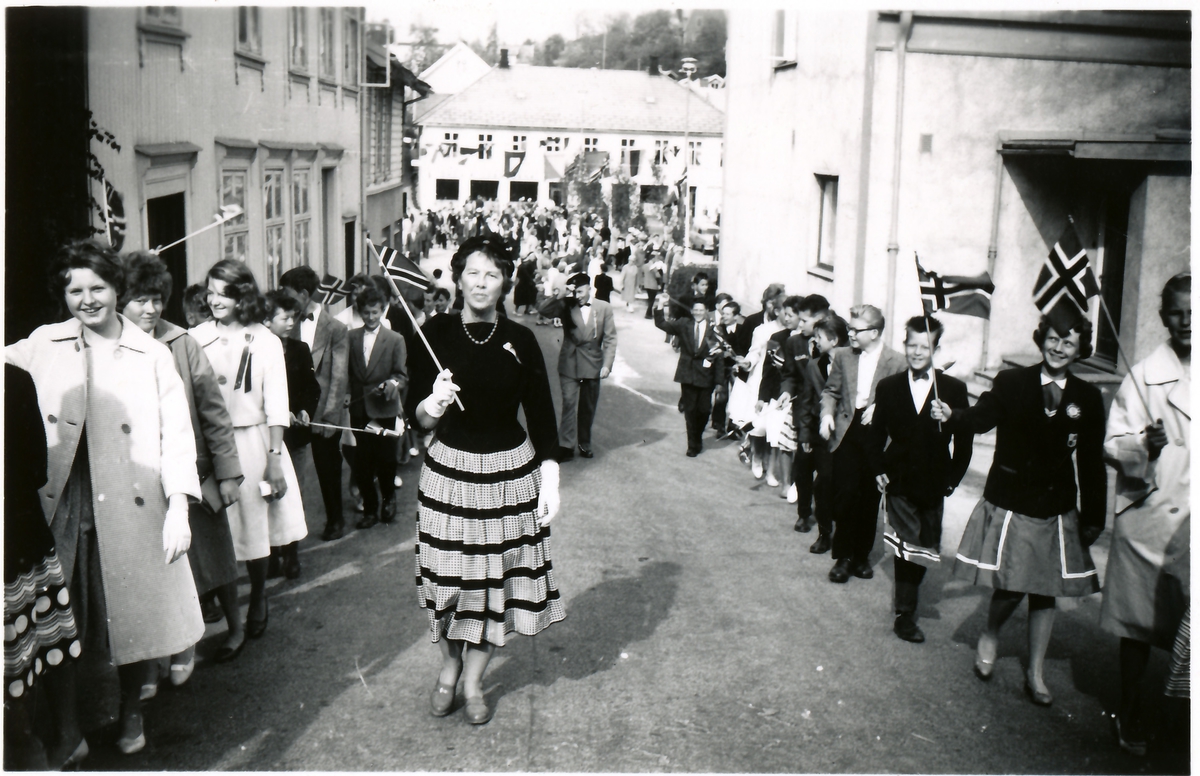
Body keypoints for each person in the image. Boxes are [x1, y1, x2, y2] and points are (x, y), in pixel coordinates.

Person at [6, 239, 202, 756]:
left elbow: (177, 435)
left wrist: (179, 506)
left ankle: (133, 710)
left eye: (98, 287)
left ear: (118, 289)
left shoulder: (152, 354)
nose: (87, 300)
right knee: (61, 616)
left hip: (133, 502)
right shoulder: (42, 343)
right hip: (64, 502)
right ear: (62, 294)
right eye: (75, 290)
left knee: (131, 613)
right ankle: (71, 729)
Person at [409, 234, 564, 725]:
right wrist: (432, 403)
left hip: (507, 477)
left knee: (491, 585)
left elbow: (541, 413)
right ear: (458, 277)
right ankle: (448, 671)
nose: (481, 283)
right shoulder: (434, 331)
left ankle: (473, 682)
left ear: (504, 283)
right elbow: (418, 415)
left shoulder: (521, 340)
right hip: (448, 476)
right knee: (451, 583)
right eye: (472, 272)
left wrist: (551, 475)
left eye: (492, 274)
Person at [931, 313, 1106, 706]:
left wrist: (1094, 517)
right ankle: (991, 633)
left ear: (1080, 351)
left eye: (1069, 344)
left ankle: (1036, 671)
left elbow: (1091, 463)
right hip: (1014, 499)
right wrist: (953, 415)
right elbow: (981, 418)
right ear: (1041, 338)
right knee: (1012, 584)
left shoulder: (1088, 398)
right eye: (1053, 339)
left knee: (1047, 591)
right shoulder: (1012, 382)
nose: (1059, 349)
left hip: (1056, 505)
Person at [119, 252, 247, 674]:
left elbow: (214, 412)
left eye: (156, 298)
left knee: (216, 559)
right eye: (139, 299)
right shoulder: (112, 346)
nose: (151, 309)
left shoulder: (182, 343)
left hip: (197, 473)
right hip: (141, 481)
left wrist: (228, 475)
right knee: (162, 568)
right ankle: (173, 647)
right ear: (122, 301)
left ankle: (235, 626)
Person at [193, 259, 308, 647]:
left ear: (242, 294)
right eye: (209, 291)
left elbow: (277, 404)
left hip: (255, 444)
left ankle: (258, 595)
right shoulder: (195, 338)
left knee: (255, 531)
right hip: (211, 446)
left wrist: (275, 460)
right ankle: (230, 619)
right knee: (219, 535)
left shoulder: (265, 340)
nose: (214, 299)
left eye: (223, 291)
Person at [1099, 272, 1190, 755]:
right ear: (1162, 317)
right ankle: (1131, 713)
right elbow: (1112, 444)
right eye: (1177, 311)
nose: (1187, 321)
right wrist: (1143, 445)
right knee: (1137, 628)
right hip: (1149, 516)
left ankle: (1181, 723)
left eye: (1195, 311)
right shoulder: (1144, 375)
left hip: (1192, 523)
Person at [867, 316, 973, 643]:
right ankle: (905, 614)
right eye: (911, 345)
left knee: (924, 547)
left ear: (936, 349)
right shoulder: (889, 387)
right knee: (907, 545)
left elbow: (965, 440)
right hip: (898, 479)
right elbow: (876, 434)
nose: (916, 352)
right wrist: (877, 468)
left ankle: (908, 600)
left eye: (924, 347)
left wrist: (953, 478)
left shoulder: (953, 390)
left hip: (933, 481)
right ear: (904, 345)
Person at [5, 364, 83, 770]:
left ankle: (32, 750)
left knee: (21, 649)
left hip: (16, 542)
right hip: (20, 536)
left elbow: (35, 470)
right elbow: (35, 468)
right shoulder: (12, 379)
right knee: (43, 639)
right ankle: (61, 738)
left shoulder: (12, 381)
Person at [819, 304, 907, 584]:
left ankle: (861, 556)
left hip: (878, 437)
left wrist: (881, 406)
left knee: (870, 498)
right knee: (845, 495)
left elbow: (902, 397)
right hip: (848, 431)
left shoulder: (897, 361)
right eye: (850, 329)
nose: (850, 334)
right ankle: (843, 558)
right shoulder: (844, 356)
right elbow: (831, 391)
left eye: (855, 330)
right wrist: (826, 416)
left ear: (875, 332)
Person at [279, 266, 350, 542]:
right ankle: (292, 531)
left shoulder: (336, 329)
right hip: (295, 410)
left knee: (327, 466)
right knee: (293, 469)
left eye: (288, 293)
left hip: (323, 412)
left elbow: (339, 375)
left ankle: (335, 518)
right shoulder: (286, 322)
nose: (284, 298)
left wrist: (331, 417)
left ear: (304, 293)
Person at [264, 290, 320, 578]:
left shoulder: (299, 349)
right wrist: (277, 413)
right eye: (284, 318)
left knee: (294, 495)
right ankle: (271, 554)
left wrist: (305, 411)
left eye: (293, 318)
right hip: (269, 438)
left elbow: (312, 387)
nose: (290, 323)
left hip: (296, 437)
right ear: (266, 320)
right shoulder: (258, 350)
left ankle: (292, 554)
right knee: (271, 496)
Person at [347, 285, 408, 529]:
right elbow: (347, 374)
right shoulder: (351, 337)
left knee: (386, 459)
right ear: (359, 312)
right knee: (362, 461)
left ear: (383, 311)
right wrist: (347, 394)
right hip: (359, 409)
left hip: (384, 409)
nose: (370, 317)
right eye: (366, 313)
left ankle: (388, 499)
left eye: (375, 312)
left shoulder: (395, 340)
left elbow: (401, 375)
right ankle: (369, 509)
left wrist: (391, 383)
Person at [542, 272, 618, 462]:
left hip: (592, 363)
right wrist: (560, 294)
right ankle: (566, 446)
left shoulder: (604, 307)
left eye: (580, 291)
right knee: (568, 403)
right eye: (574, 292)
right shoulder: (567, 304)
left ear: (589, 288)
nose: (578, 295)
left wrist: (607, 364)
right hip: (570, 361)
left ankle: (584, 443)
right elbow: (543, 310)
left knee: (587, 407)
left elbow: (610, 338)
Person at [798, 315, 848, 554]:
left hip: (847, 436)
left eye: (819, 337)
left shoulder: (854, 363)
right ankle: (825, 532)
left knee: (840, 486)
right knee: (822, 484)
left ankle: (845, 533)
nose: (815, 341)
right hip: (821, 437)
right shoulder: (813, 365)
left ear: (835, 340)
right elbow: (807, 402)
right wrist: (805, 436)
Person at [654, 293, 726, 457]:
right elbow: (661, 323)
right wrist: (661, 304)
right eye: (695, 310)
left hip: (706, 376)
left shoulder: (714, 329)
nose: (698, 312)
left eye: (701, 310)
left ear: (706, 311)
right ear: (692, 311)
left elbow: (719, 357)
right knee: (690, 411)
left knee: (704, 410)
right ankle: (693, 444)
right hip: (687, 374)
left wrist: (719, 381)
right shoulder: (683, 324)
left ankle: (697, 435)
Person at [787, 295, 831, 530]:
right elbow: (790, 376)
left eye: (804, 320)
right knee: (802, 469)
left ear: (820, 318)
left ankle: (826, 517)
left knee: (826, 474)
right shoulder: (795, 343)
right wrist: (785, 392)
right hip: (805, 417)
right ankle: (804, 513)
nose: (799, 324)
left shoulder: (837, 335)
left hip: (830, 418)